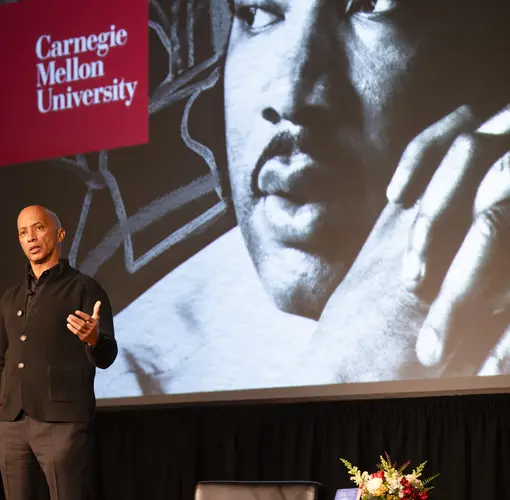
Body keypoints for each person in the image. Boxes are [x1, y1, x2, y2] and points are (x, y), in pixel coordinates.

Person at [96, 0, 509, 397]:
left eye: (371, 5)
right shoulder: (126, 381)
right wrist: (342, 378)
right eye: (257, 12)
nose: (291, 97)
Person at [0, 205, 118, 500]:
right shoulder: (11, 297)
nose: (31, 237)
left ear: (59, 234)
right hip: (11, 422)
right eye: (23, 232)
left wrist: (94, 339)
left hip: (63, 421)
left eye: (39, 228)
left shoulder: (84, 288)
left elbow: (108, 354)